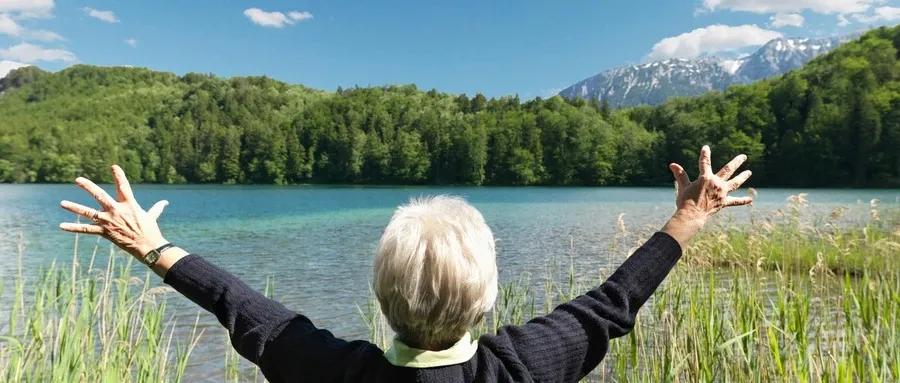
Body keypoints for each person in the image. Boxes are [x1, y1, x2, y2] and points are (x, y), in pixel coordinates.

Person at [59, 145, 752, 382]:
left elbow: (239, 304)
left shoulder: (332, 370)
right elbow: (612, 303)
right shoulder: (520, 366)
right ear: (486, 298)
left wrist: (152, 245)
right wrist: (691, 214)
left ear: (380, 294)